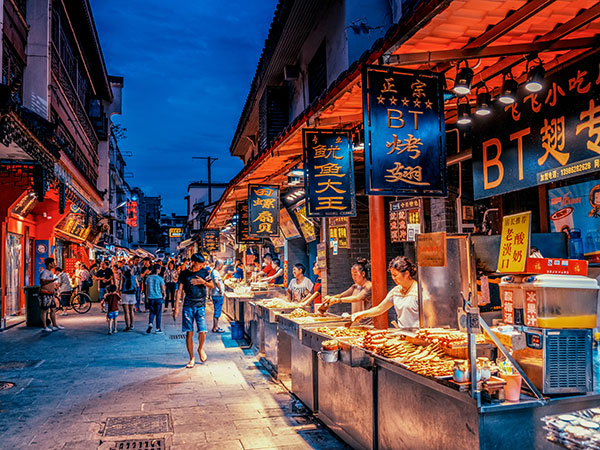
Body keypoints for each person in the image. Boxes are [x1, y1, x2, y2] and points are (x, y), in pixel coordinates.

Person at [351, 256, 418, 328]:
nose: (393, 278)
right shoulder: (396, 291)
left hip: (418, 335)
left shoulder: (418, 291)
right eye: (392, 275)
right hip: (403, 334)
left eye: (395, 275)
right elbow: (380, 308)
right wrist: (362, 314)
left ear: (407, 273)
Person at [174, 253, 214, 368]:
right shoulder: (184, 274)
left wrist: (203, 282)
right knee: (189, 332)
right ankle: (191, 358)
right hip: (188, 305)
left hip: (200, 305)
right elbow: (179, 290)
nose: (201, 266)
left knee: (203, 330)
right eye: (199, 264)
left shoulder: (204, 272)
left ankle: (200, 348)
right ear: (193, 262)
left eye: (202, 264)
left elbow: (211, 285)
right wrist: (176, 307)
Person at [324, 259, 372, 323]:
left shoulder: (368, 286)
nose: (353, 277)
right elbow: (341, 295)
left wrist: (338, 300)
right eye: (352, 275)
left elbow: (357, 298)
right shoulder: (355, 286)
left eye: (355, 275)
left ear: (363, 274)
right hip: (356, 321)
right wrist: (331, 298)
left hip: (367, 323)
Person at [39, 257, 63, 332]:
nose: (54, 264)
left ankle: (55, 325)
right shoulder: (44, 272)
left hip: (50, 294)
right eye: (53, 263)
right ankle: (44, 326)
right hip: (45, 293)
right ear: (49, 264)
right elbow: (42, 281)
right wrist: (52, 280)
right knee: (44, 310)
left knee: (53, 309)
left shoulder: (50, 272)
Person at [146, 264, 166, 334]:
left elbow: (147, 289)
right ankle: (158, 328)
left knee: (151, 312)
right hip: (158, 297)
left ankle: (150, 323)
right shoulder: (160, 278)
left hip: (151, 297)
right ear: (157, 270)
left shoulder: (148, 278)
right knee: (158, 314)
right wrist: (164, 295)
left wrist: (146, 298)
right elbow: (163, 289)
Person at [120, 261, 137, 331]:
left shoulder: (123, 277)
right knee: (131, 311)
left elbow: (120, 287)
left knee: (126, 312)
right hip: (132, 294)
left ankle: (127, 326)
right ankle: (132, 325)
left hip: (125, 295)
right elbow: (137, 285)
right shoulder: (133, 277)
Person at [210, 260, 225, 333]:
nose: (222, 267)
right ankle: (215, 328)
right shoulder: (215, 272)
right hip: (217, 295)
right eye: (222, 265)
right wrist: (220, 290)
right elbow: (216, 281)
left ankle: (215, 326)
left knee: (217, 310)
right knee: (217, 311)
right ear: (219, 265)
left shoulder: (213, 272)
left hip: (215, 294)